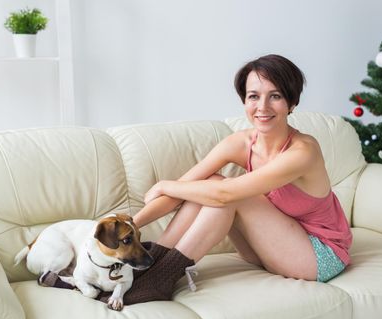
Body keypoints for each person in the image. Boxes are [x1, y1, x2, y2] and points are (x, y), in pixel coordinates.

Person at [44, 54, 352, 304]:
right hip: (268, 248)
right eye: (253, 96)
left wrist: (166, 184)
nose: (262, 107)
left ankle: (161, 277)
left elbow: (218, 195)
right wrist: (130, 230)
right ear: (244, 101)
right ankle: (151, 265)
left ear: (292, 103)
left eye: (275, 97)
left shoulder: (303, 151)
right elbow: (186, 191)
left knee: (226, 191)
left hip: (319, 256)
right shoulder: (240, 143)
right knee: (213, 183)